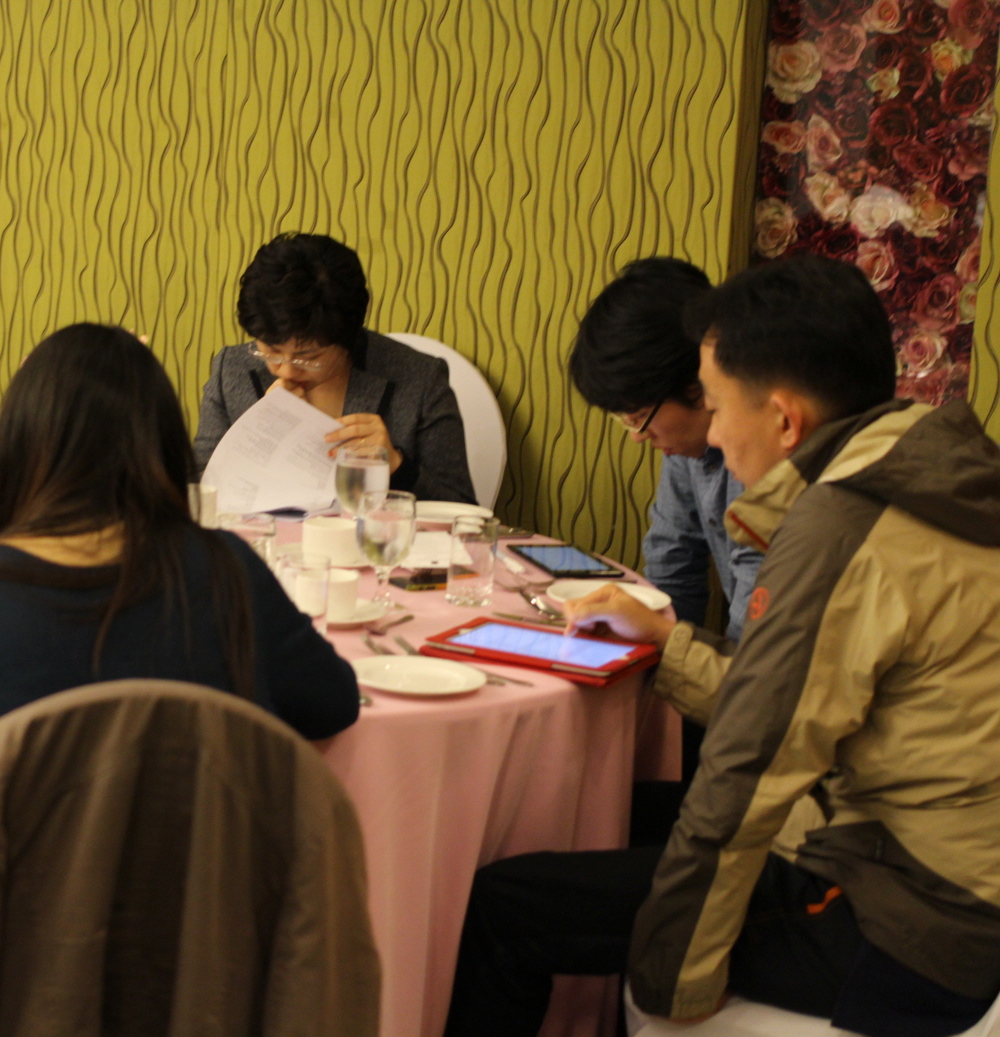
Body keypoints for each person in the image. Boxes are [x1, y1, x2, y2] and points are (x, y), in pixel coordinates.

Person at [446, 255, 1000, 1037]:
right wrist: (667, 644)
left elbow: (747, 766)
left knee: (506, 909)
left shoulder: (839, 528)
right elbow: (800, 702)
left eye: (714, 406)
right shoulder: (929, 465)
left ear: (782, 418)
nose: (709, 433)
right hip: (937, 859)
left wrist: (675, 973)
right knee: (590, 813)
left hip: (909, 918)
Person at [0, 323, 362, 881]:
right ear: (163, 446)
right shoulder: (227, 572)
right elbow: (332, 704)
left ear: (16, 448)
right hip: (204, 921)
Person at [193, 232, 476, 503]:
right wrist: (260, 435)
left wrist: (396, 465)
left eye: (308, 357)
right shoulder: (232, 371)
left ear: (347, 340)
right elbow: (197, 492)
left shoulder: (420, 379)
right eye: (272, 351)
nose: (286, 371)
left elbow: (462, 508)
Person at [569, 258, 761, 642]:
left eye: (641, 417)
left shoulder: (763, 457)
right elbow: (672, 563)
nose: (638, 437)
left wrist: (662, 642)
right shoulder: (686, 445)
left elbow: (755, 653)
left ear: (698, 383)